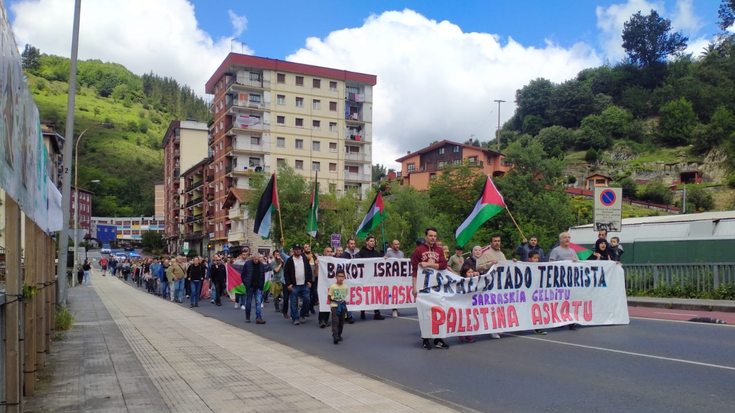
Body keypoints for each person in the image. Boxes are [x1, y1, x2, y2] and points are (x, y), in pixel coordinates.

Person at [411, 227, 450, 350]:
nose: (433, 238)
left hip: (437, 286)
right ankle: (426, 339)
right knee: (425, 313)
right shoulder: (419, 251)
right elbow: (414, 270)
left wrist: (429, 264)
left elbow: (443, 265)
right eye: (431, 236)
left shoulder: (439, 250)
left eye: (435, 236)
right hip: (423, 287)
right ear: (426, 236)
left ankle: (438, 339)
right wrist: (414, 287)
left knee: (439, 311)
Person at [357, 235, 385, 320]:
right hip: (364, 277)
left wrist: (384, 258)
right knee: (364, 294)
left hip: (374, 277)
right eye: (371, 241)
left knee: (376, 294)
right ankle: (362, 312)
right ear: (367, 242)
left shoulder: (376, 253)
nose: (372, 243)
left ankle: (377, 313)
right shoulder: (362, 252)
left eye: (373, 241)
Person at [284, 243, 313, 325]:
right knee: (293, 302)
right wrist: (288, 284)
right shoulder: (290, 261)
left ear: (301, 250)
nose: (297, 250)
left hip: (304, 285)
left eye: (299, 249)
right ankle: (295, 318)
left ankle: (302, 314)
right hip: (294, 285)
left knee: (307, 300)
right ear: (293, 250)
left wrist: (309, 281)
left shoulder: (304, 259)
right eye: (296, 249)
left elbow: (309, 271)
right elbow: (286, 273)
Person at [241, 252, 268, 324]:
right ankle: (247, 316)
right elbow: (243, 275)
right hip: (250, 286)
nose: (256, 260)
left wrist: (262, 287)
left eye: (258, 259)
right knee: (249, 302)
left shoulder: (261, 265)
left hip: (258, 286)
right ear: (252, 258)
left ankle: (258, 317)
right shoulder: (247, 264)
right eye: (255, 259)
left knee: (258, 302)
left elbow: (262, 277)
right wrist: (246, 283)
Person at [527, 251, 547, 335]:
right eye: (535, 258)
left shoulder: (540, 267)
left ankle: (537, 328)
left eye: (537, 258)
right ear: (530, 259)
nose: (536, 260)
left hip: (536, 294)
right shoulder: (525, 267)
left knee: (537, 309)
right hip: (528, 293)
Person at [384, 239, 404, 318]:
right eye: (395, 244)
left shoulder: (401, 253)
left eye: (398, 244)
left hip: (400, 276)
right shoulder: (389, 254)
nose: (397, 246)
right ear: (392, 245)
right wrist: (385, 258)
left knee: (399, 293)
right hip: (392, 277)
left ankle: (397, 307)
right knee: (393, 293)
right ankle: (394, 309)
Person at [330, 268, 349, 344]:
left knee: (341, 321)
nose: (341, 278)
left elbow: (345, 296)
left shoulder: (345, 287)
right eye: (339, 276)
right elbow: (330, 296)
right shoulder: (333, 286)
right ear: (336, 277)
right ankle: (335, 335)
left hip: (343, 305)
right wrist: (334, 302)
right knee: (335, 321)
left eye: (342, 276)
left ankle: (339, 334)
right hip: (335, 305)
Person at [316, 247, 334, 328]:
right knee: (323, 301)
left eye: (331, 251)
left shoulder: (335, 261)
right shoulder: (321, 261)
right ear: (324, 252)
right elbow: (316, 274)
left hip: (332, 285)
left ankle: (326, 320)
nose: (330, 253)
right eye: (328, 251)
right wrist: (317, 265)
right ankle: (322, 320)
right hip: (323, 285)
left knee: (329, 302)